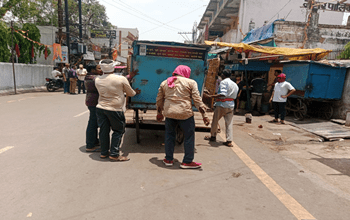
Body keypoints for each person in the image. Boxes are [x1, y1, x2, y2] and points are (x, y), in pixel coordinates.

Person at [156, 65, 210, 169]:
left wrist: (159, 113)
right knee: (189, 137)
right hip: (185, 113)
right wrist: (205, 116)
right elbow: (197, 100)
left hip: (169, 113)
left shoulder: (165, 82)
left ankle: (168, 159)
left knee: (169, 136)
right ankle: (187, 162)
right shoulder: (191, 82)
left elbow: (159, 99)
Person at [95, 59, 140, 161]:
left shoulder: (97, 79)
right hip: (114, 109)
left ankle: (104, 152)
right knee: (118, 130)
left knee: (104, 131)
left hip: (101, 108)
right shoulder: (120, 79)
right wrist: (135, 92)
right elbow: (131, 93)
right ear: (113, 67)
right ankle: (114, 154)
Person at [204, 69, 239, 147]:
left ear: (223, 75)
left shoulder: (224, 82)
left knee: (215, 121)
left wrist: (211, 96)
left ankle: (213, 136)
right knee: (229, 123)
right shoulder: (235, 84)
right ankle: (229, 141)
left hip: (222, 104)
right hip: (231, 105)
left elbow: (223, 94)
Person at [85, 63, 103, 152]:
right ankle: (90, 145)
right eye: (99, 68)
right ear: (93, 70)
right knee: (92, 123)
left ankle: (94, 141)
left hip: (91, 101)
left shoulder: (89, 77)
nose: (101, 70)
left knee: (94, 122)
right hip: (94, 102)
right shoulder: (94, 79)